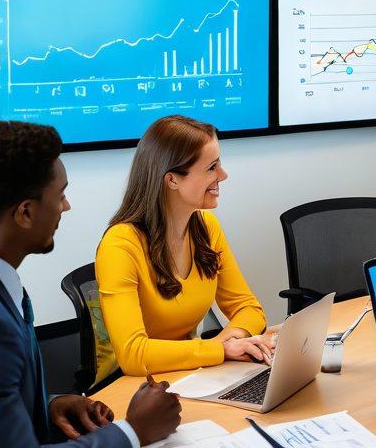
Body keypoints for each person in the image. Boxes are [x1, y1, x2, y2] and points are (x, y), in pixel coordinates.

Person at [0, 120, 181, 448]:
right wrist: (133, 431)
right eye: (61, 195)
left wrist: (47, 405)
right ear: (25, 212)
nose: (66, 207)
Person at [96, 115, 272, 375]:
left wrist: (233, 340)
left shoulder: (206, 227)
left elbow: (249, 308)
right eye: (211, 168)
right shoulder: (120, 245)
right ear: (172, 180)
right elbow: (133, 354)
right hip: (135, 386)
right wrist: (219, 350)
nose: (223, 176)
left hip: (192, 372)